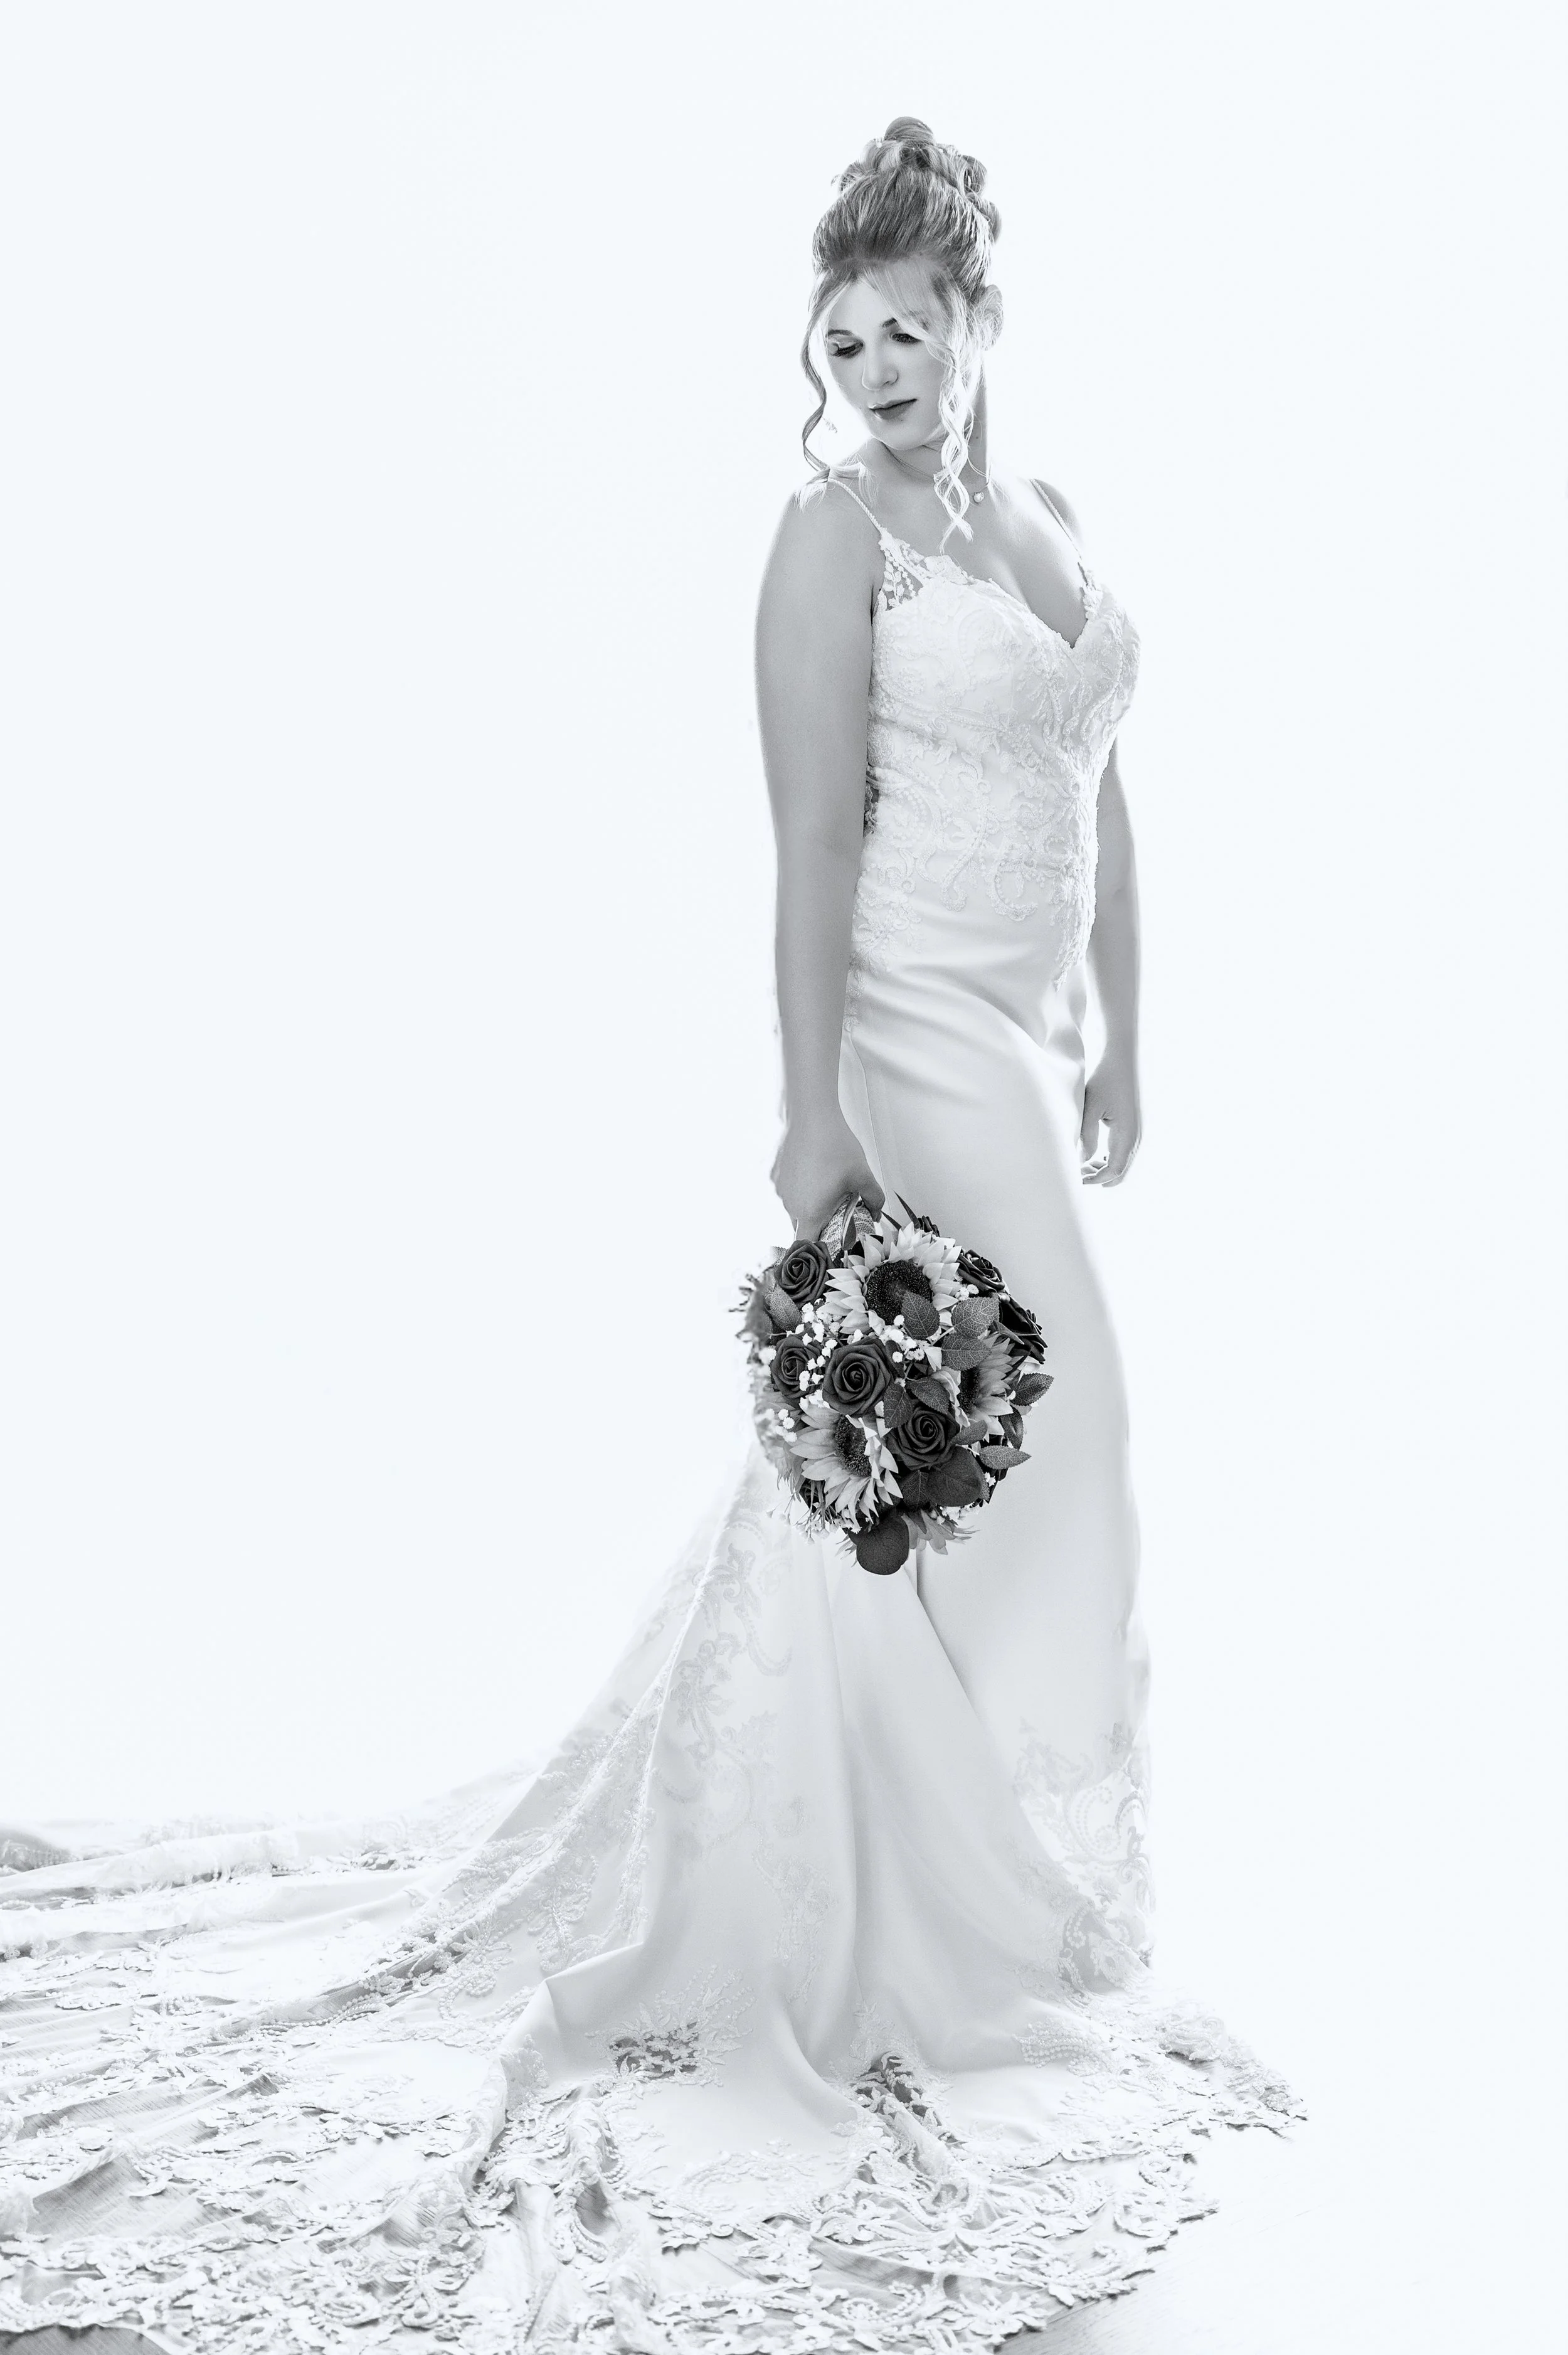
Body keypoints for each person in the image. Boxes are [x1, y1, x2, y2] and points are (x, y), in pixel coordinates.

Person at [0, 120, 1294, 2355]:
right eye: (840, 335)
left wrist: (1132, 1048)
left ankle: (982, 1922)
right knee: (1032, 1458)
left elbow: (1108, 786)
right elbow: (804, 852)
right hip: (907, 1034)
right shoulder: (830, 542)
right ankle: (905, 1931)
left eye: (909, 324)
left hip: (1033, 1024)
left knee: (987, 1495)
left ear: (981, 320)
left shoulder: (1051, 530)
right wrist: (807, 1123)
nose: (875, 362)